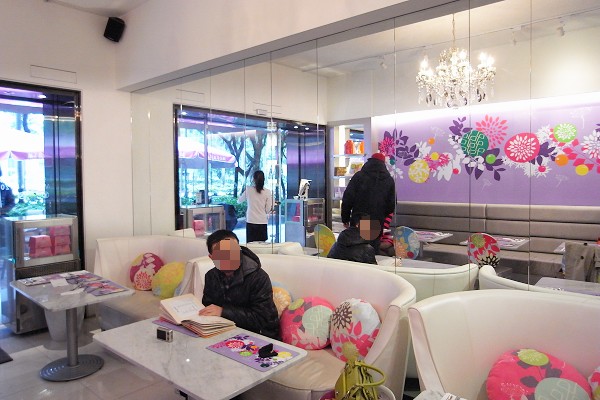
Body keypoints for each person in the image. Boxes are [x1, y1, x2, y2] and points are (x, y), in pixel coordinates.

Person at [200, 229, 280, 340]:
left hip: (260, 336)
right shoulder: (211, 276)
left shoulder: (258, 277)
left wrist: (223, 311)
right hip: (224, 332)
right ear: (212, 257)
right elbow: (208, 306)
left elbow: (262, 318)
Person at [341, 153, 395, 253]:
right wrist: (381, 215)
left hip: (359, 219)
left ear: (369, 161)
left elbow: (347, 198)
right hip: (376, 221)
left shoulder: (359, 176)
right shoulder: (389, 180)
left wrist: (345, 218)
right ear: (383, 164)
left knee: (356, 248)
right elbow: (391, 205)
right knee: (372, 250)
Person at [238, 170, 273, 243]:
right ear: (264, 180)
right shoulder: (267, 192)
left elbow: (239, 201)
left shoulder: (248, 190)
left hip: (251, 220)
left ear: (253, 179)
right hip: (262, 221)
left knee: (250, 244)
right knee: (261, 244)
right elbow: (267, 209)